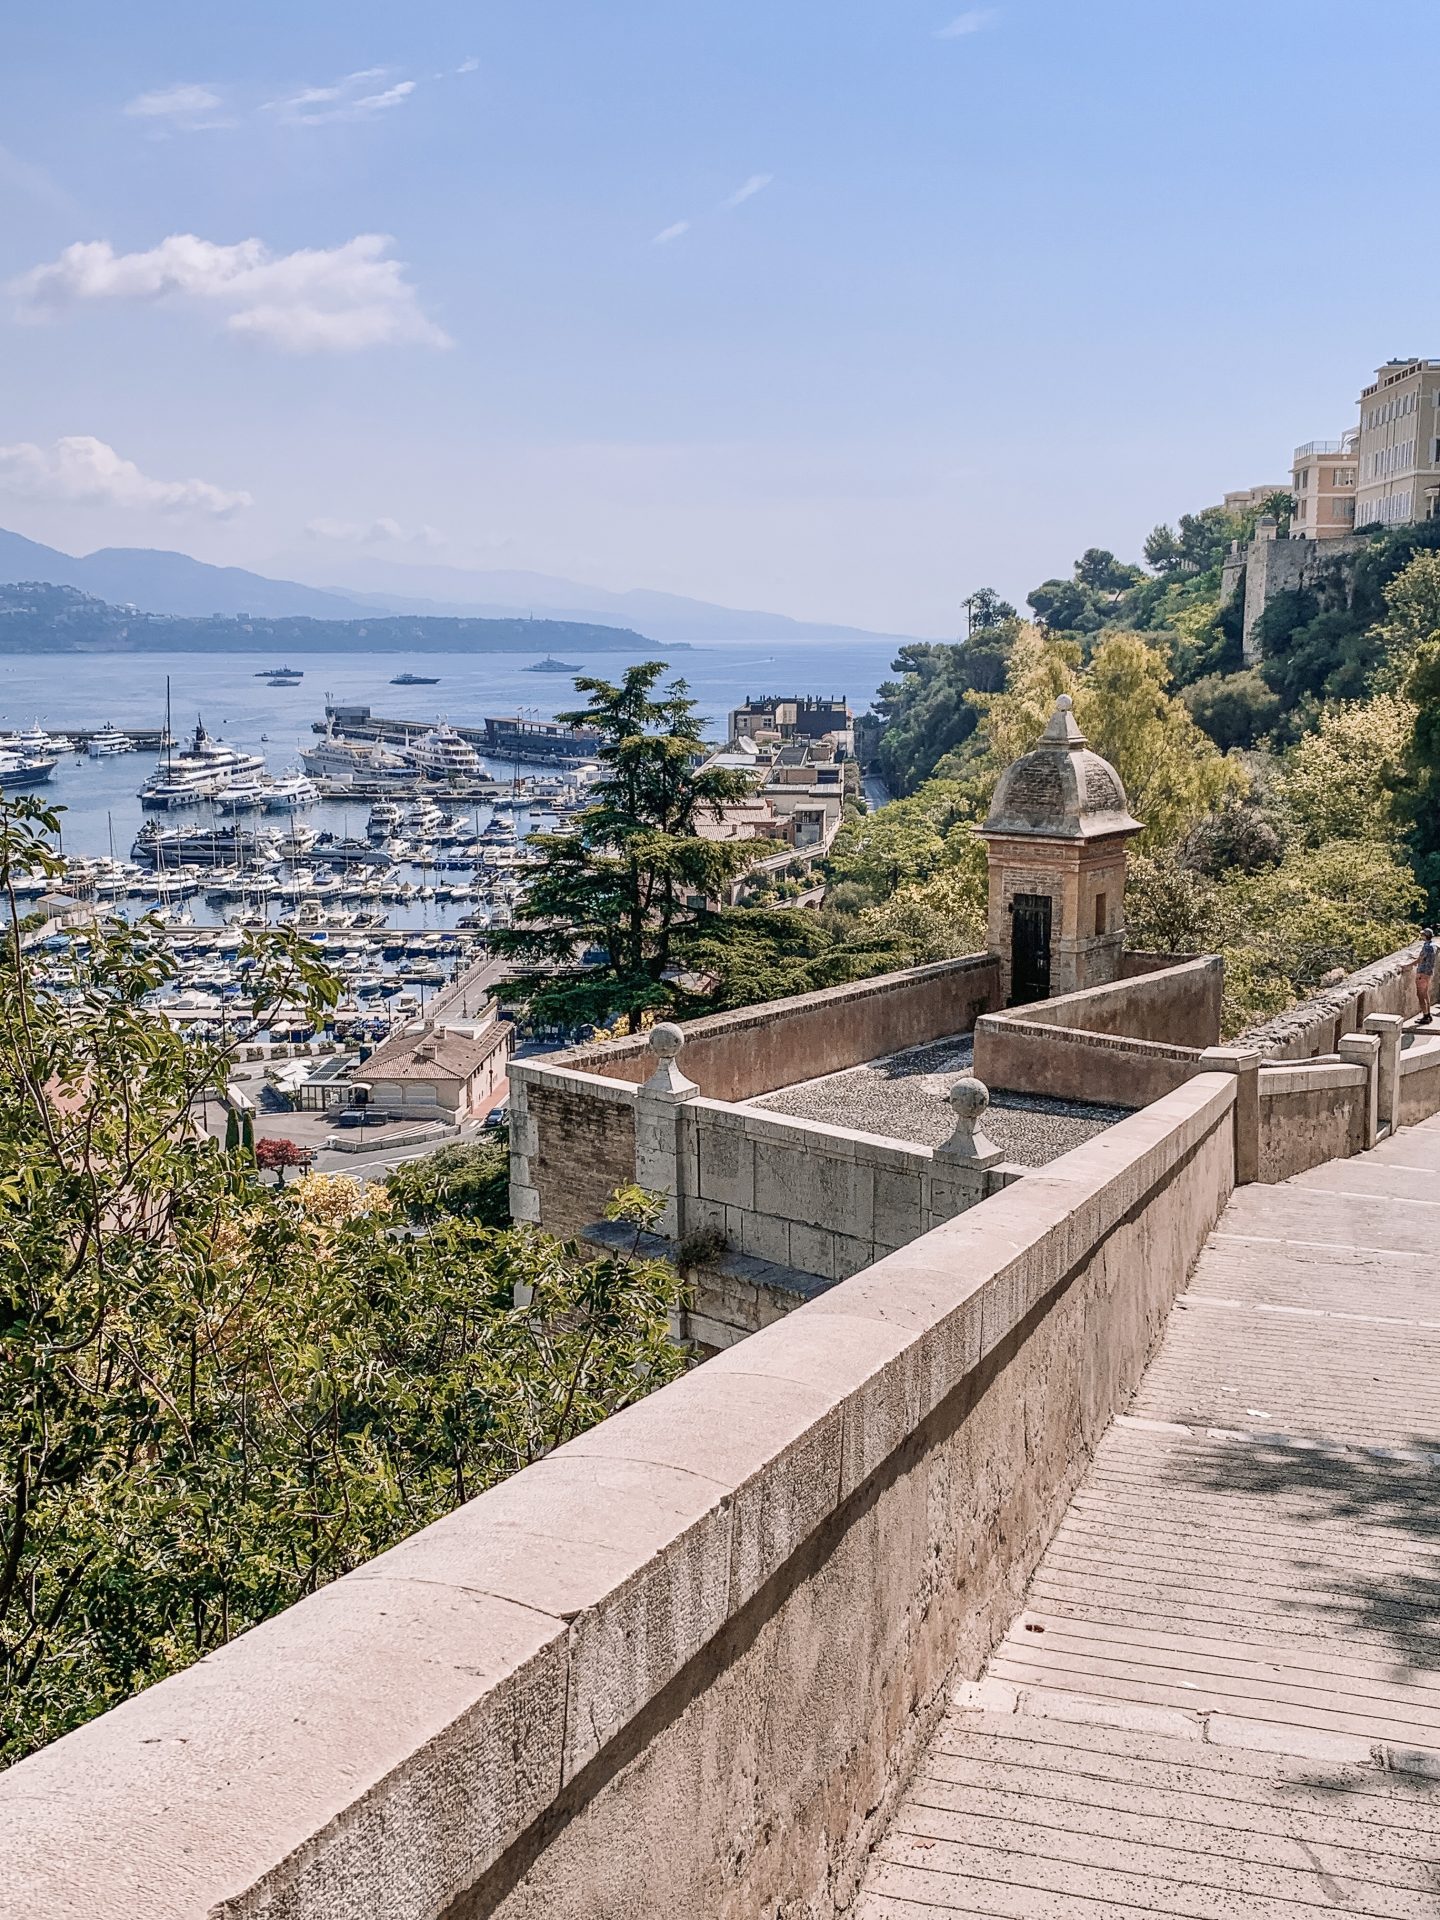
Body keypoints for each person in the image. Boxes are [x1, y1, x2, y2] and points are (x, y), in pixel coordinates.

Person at [1417, 928, 1437, 1025]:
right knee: (1425, 993)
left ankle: (1425, 1016)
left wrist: (1407, 966)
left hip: (1423, 973)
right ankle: (1428, 1015)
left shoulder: (1426, 947)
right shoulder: (1434, 946)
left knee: (1420, 994)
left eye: (1423, 935)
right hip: (1428, 972)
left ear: (1426, 936)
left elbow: (1420, 959)